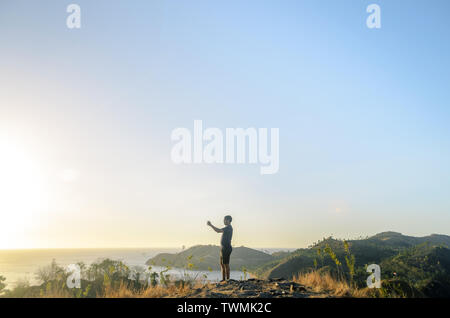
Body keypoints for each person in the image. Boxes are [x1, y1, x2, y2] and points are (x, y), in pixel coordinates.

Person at [207, 215, 233, 282]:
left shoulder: (228, 228)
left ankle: (227, 280)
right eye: (224, 219)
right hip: (223, 248)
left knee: (226, 264)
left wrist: (211, 225)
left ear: (229, 221)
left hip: (226, 248)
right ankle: (223, 279)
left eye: (226, 220)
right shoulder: (226, 228)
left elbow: (218, 231)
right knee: (222, 264)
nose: (224, 221)